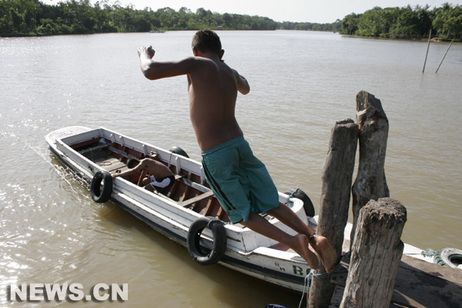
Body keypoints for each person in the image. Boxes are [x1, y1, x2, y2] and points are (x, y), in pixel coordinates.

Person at [137, 29, 337, 273]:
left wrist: (144, 54)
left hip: (217, 154)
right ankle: (312, 236)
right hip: (240, 146)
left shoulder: (196, 63)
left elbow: (149, 71)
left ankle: (295, 242)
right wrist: (224, 65)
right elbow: (246, 88)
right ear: (221, 53)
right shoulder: (229, 72)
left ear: (196, 51)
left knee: (242, 214)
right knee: (271, 202)